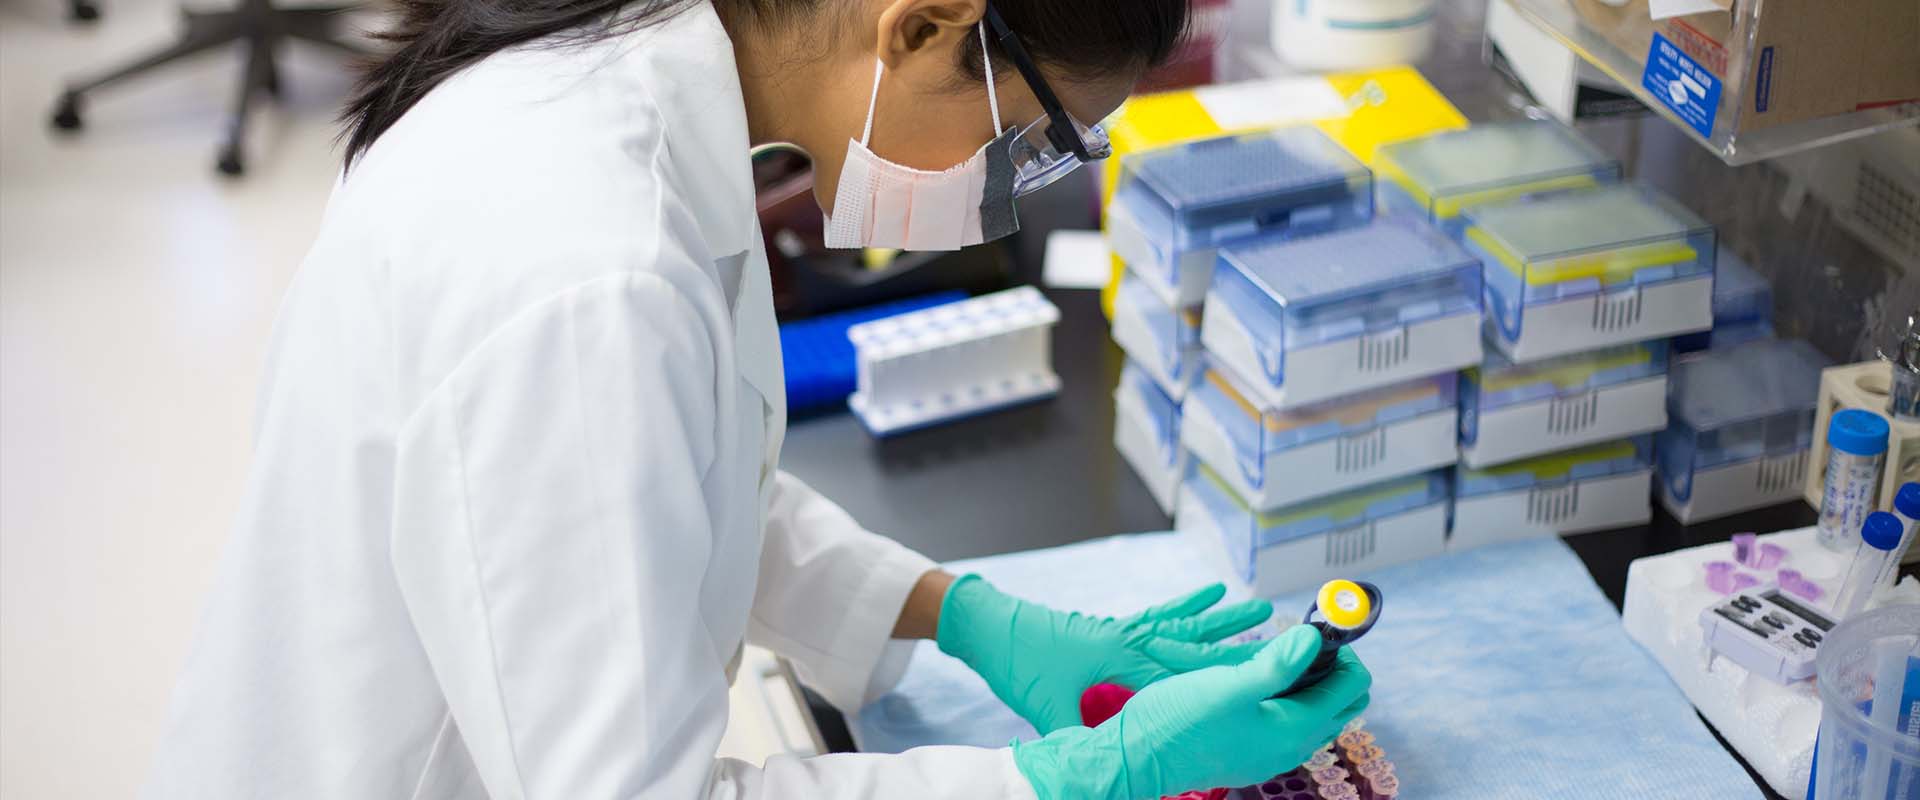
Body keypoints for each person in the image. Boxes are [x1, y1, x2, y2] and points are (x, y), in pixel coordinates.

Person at [141, 1, 1371, 797]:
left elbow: (660, 475)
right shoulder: (587, 270)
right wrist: (1076, 777)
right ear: (925, 26)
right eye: (1033, 140)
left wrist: (959, 611)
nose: (1013, 190)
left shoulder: (618, 78)